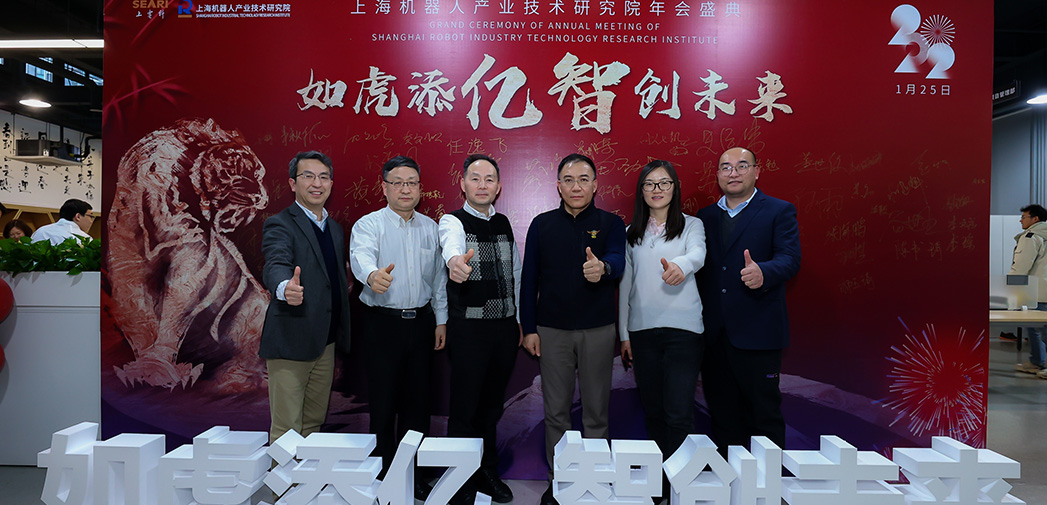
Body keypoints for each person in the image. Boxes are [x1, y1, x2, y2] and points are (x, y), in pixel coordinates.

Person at [520, 153, 626, 505]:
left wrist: (604, 268)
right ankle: (560, 482)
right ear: (558, 186)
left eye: (583, 179)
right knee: (556, 412)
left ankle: (594, 481)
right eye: (568, 179)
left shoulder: (611, 223)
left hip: (598, 329)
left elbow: (618, 259)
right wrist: (529, 328)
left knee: (596, 411)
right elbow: (529, 280)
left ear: (595, 185)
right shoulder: (542, 224)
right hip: (552, 330)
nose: (576, 186)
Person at [349, 155, 447, 499]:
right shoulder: (369, 225)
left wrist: (441, 320)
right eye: (398, 183)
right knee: (383, 402)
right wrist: (371, 275)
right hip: (382, 325)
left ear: (420, 188)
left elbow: (438, 280)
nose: (405, 189)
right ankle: (382, 476)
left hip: (421, 323)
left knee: (417, 404)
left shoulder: (431, 228)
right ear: (384, 187)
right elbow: (361, 256)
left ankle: (412, 474)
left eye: (411, 183)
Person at [696, 146, 800, 454]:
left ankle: (767, 482)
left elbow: (790, 259)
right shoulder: (705, 217)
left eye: (742, 166)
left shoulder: (779, 210)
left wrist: (764, 272)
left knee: (763, 414)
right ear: (717, 175)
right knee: (722, 415)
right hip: (714, 336)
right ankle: (731, 480)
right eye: (726, 167)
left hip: (758, 332)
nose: (733, 173)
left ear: (757, 171)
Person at [618, 160, 706, 496]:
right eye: (650, 184)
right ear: (641, 191)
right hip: (642, 333)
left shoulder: (692, 225)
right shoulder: (630, 233)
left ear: (675, 187)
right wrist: (624, 334)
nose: (657, 189)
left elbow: (698, 254)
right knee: (654, 411)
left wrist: (681, 266)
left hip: (684, 332)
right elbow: (625, 285)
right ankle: (661, 486)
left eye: (664, 182)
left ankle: (680, 487)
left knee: (679, 412)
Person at [438, 154, 521, 504]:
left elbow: (515, 272)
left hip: (504, 329)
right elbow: (451, 245)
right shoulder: (452, 221)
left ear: (498, 186)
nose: (482, 185)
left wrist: (518, 318)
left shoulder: (503, 222)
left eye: (489, 179)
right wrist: (455, 261)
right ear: (463, 184)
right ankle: (459, 482)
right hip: (469, 328)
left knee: (491, 408)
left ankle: (486, 471)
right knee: (465, 408)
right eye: (475, 178)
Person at [259, 151, 352, 445]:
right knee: (287, 430)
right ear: (292, 183)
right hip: (291, 340)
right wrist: (284, 287)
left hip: (325, 342)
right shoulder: (280, 223)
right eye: (308, 176)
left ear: (331, 184)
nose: (317, 183)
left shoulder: (334, 229)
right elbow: (275, 262)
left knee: (313, 424)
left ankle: (306, 478)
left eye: (323, 177)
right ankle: (280, 480)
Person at [1008, 204, 1047, 375]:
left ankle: (1038, 362)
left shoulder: (1031, 237)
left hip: (1037, 292)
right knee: (1034, 328)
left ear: (1035, 219)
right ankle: (1036, 361)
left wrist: (1010, 288)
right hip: (1042, 291)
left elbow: (1021, 267)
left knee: (1040, 330)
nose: (1020, 220)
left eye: (1024, 217)